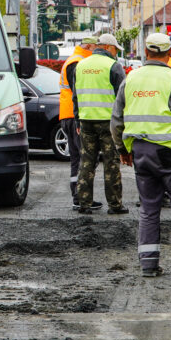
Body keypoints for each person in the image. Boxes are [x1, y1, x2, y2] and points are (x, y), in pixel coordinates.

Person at [111, 33, 171, 279]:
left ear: (146, 51)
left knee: (148, 207)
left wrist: (123, 150)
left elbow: (116, 121)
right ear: (169, 53)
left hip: (141, 152)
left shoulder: (130, 79)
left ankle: (149, 264)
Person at [73, 32, 128, 215]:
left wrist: (77, 119)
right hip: (108, 123)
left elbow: (75, 97)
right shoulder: (113, 66)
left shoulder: (81, 65)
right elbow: (122, 98)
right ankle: (115, 204)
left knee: (86, 161)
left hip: (86, 120)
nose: (116, 53)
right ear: (107, 47)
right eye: (115, 49)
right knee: (111, 163)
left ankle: (83, 203)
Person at [58, 35, 100, 210]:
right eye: (95, 47)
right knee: (87, 157)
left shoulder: (74, 60)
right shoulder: (78, 63)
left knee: (76, 157)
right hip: (75, 116)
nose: (96, 51)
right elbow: (78, 94)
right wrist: (78, 119)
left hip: (66, 115)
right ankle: (82, 196)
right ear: (89, 46)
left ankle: (77, 194)